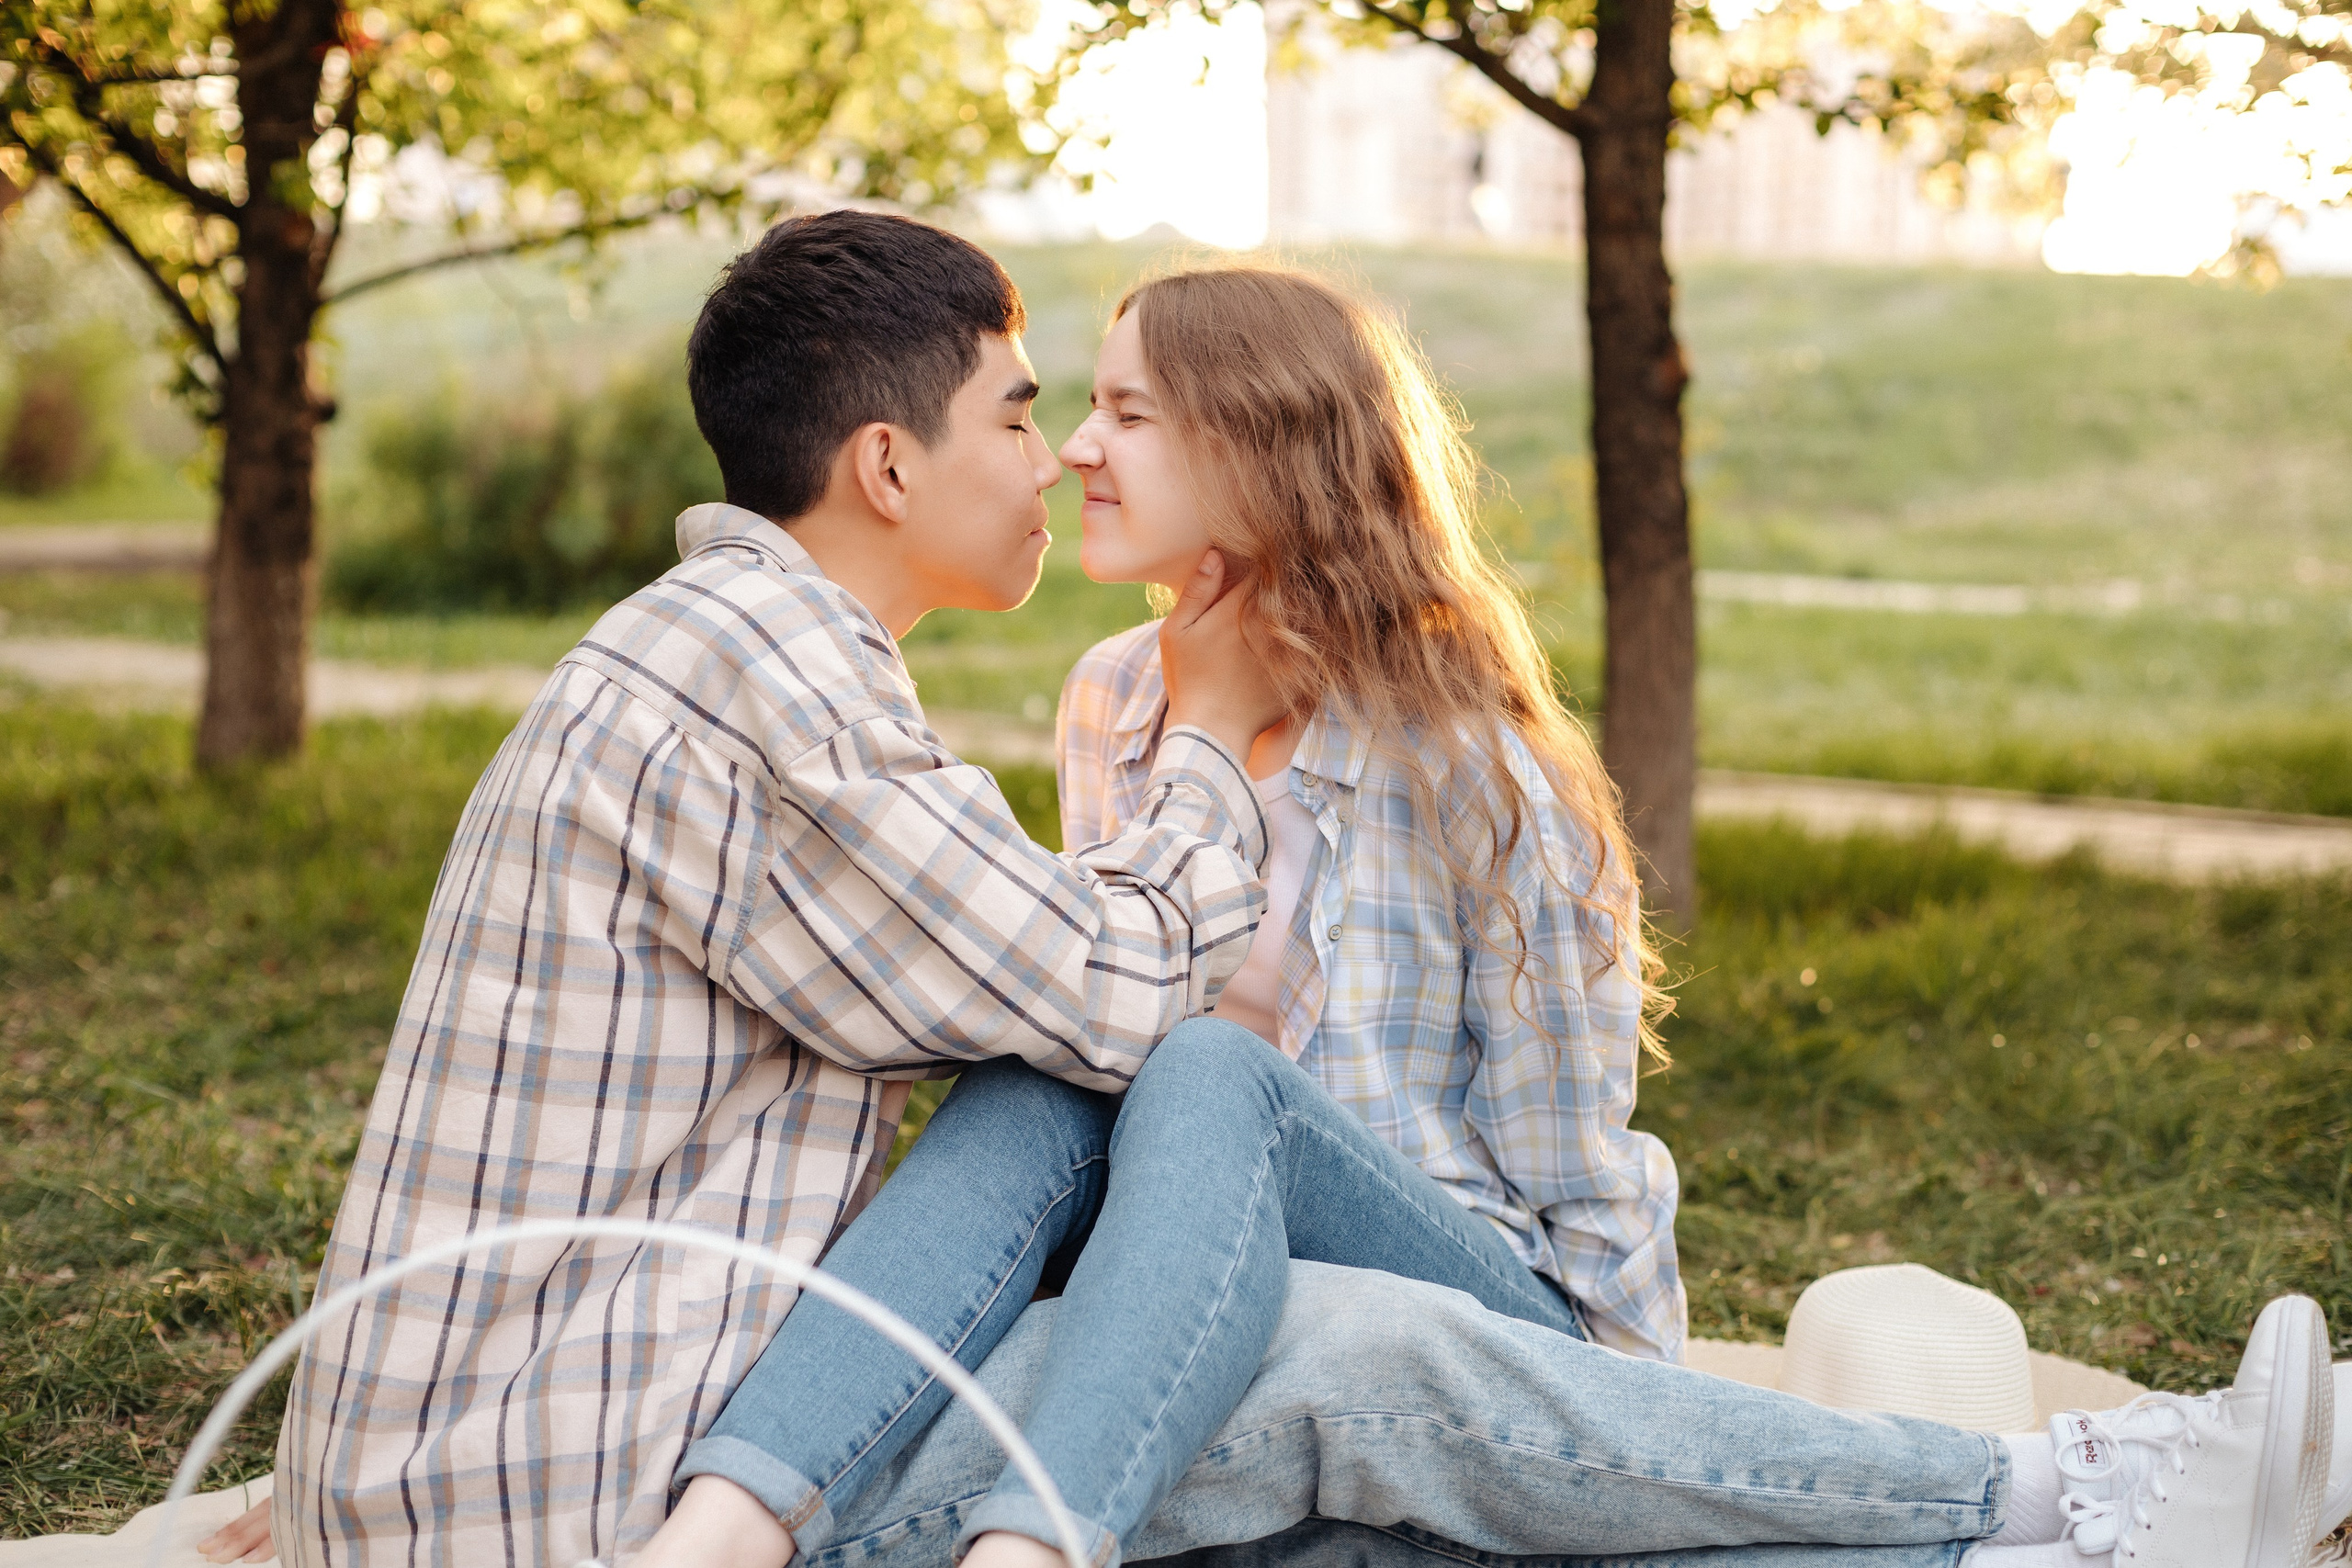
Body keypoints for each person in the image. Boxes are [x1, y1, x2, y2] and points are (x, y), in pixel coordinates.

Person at [637, 265, 2339, 1568]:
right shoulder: (1115, 703)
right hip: (1214, 1313)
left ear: (1263, 448)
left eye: (1128, 411)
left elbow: (1573, 1161)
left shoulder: (1470, 764)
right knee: (1075, 1073)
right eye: (1080, 407)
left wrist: (1634, 1437)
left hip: (1472, 1304)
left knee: (1208, 1073)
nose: (1078, 445)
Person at [203, 211, 1290, 1568]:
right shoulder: (777, 686)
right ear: (886, 465)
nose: (1052, 462)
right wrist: (1212, 736)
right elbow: (1115, 994)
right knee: (1218, 1356)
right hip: (559, 1499)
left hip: (454, 1457)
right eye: (1016, 419)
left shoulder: (701, 634)